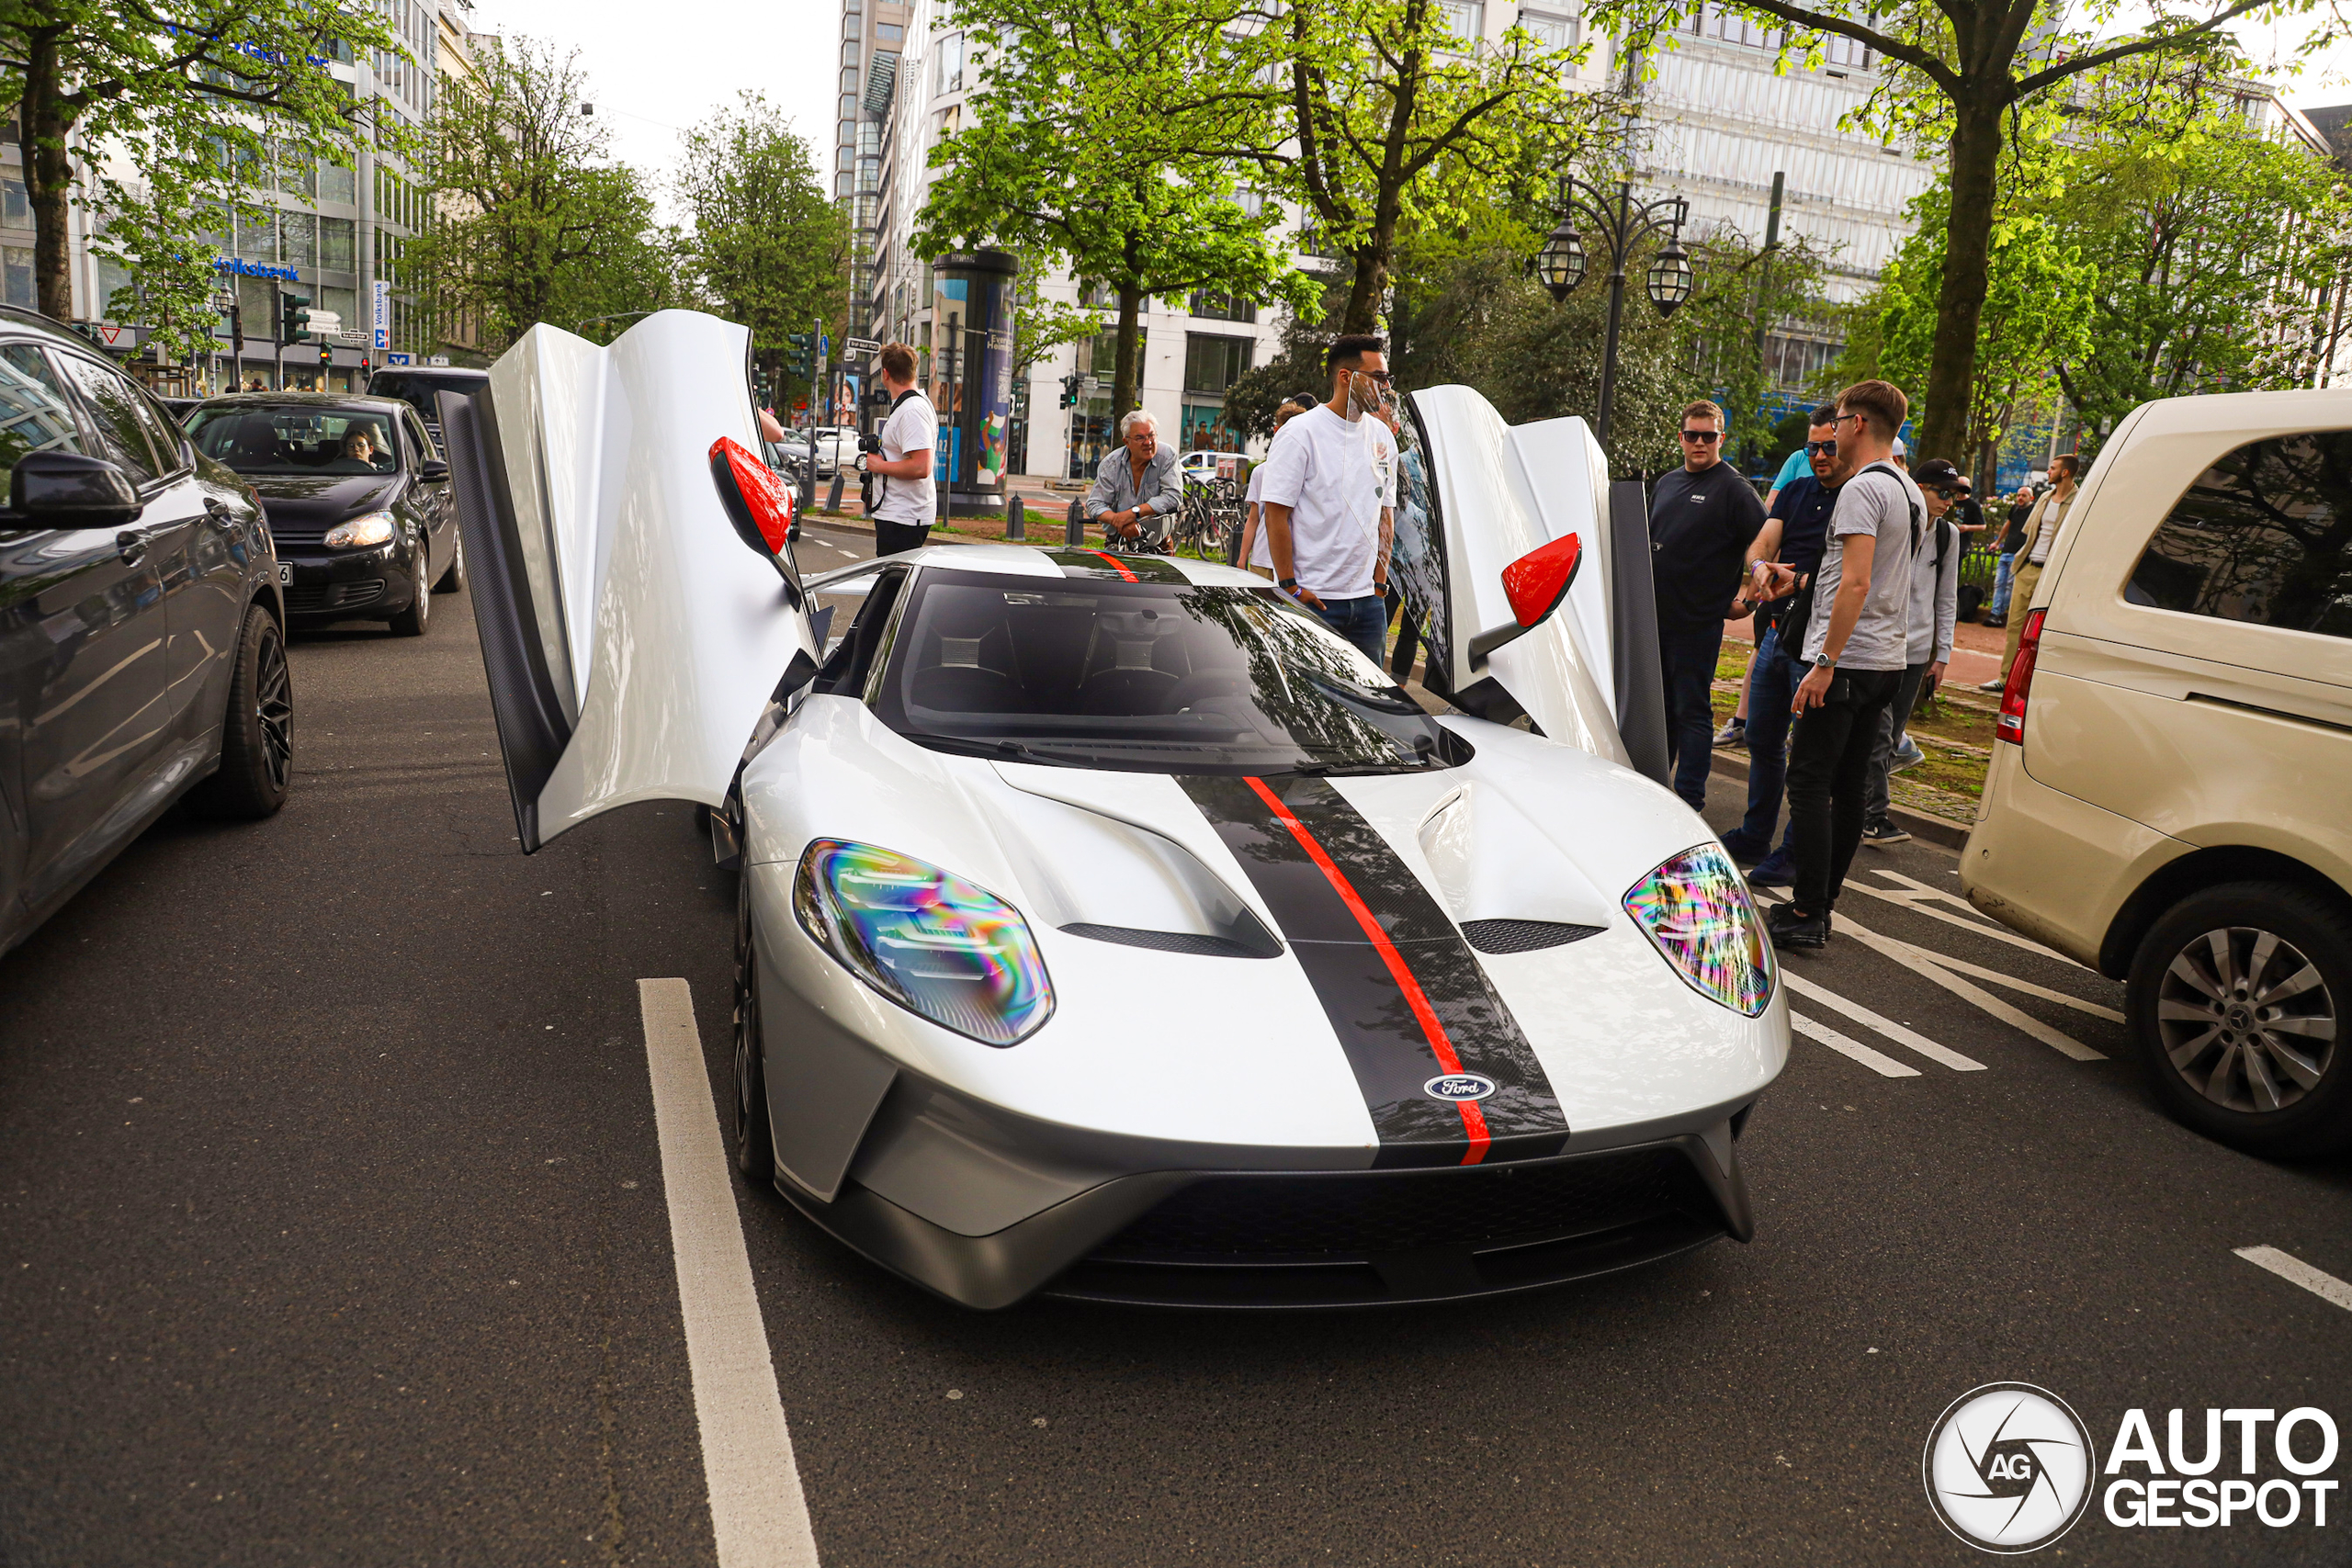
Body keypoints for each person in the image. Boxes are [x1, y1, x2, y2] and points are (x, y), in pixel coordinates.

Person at [1762, 379, 1926, 953]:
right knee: (1850, 785)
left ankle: (1807, 909)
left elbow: (1857, 581)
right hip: (1886, 660)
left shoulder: (1860, 491)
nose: (1831, 434)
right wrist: (1803, 580)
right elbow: (1869, 576)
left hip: (1846, 660)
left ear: (1857, 424)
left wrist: (1825, 662)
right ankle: (1821, 905)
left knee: (1807, 781)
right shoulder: (1909, 491)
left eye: (1839, 422)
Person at [1721, 405, 1840, 883]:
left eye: (1828, 446)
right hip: (1777, 632)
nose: (1818, 455)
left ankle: (1793, 853)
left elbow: (1848, 574)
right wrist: (1759, 570)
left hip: (1817, 641)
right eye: (1811, 447)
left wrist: (1798, 579)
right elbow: (1762, 542)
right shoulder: (1794, 491)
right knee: (1760, 737)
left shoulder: (1855, 497)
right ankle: (1756, 834)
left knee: (1808, 755)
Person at [1647, 399, 1766, 813]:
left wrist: (1748, 601)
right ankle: (1655, 791)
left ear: (1722, 438)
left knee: (1691, 708)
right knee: (1657, 708)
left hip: (1697, 622)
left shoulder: (1734, 489)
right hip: (1654, 618)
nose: (1700, 442)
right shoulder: (1666, 483)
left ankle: (1689, 801)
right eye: (1692, 435)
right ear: (1681, 438)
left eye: (1709, 436)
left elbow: (1765, 543)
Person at [1256, 333, 1395, 667]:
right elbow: (1275, 517)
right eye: (1379, 377)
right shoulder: (1300, 433)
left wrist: (1378, 583)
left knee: (1369, 710)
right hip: (1313, 600)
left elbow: (1384, 516)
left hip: (1368, 604)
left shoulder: (1382, 437)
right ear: (1347, 377)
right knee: (1307, 707)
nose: (1386, 386)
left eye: (1388, 378)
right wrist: (1289, 586)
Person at [1860, 457, 1963, 847]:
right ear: (1918, 488)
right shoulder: (1895, 522)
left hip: (1918, 651)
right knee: (1882, 733)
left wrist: (1943, 655)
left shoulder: (1947, 536)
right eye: (1942, 491)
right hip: (1882, 645)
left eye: (1953, 494)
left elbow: (1946, 596)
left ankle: (1857, 803)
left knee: (1892, 734)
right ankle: (1875, 816)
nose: (1948, 500)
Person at [1980, 453, 2083, 690]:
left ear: (2064, 472)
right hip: (2027, 569)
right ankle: (2006, 680)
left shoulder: (2079, 501)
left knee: (2045, 633)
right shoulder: (2045, 498)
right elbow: (2030, 534)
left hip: (2052, 577)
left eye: (2053, 468)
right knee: (2015, 626)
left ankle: (2033, 684)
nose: (2048, 471)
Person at [857, 342, 939, 557]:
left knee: (892, 584)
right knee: (892, 582)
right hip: (899, 513)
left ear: (885, 374)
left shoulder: (912, 410)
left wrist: (880, 466)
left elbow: (922, 466)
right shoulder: (910, 406)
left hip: (904, 515)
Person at [1238, 397, 1317, 578]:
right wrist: (1242, 558)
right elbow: (1254, 518)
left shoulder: (1312, 472)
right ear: (1276, 431)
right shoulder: (1261, 472)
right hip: (1263, 559)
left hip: (1298, 562)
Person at [1085, 408, 1184, 550]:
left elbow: (1173, 496)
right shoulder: (1111, 464)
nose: (1148, 442)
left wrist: (1133, 513)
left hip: (1159, 544)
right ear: (1127, 442)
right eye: (1140, 438)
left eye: (1151, 435)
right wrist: (1118, 520)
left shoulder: (1167, 455)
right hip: (1118, 541)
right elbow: (1094, 504)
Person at [1984, 484, 2034, 628]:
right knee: (1999, 583)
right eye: (2018, 495)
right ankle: (1995, 613)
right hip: (2007, 551)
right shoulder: (2015, 509)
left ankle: (1998, 614)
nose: (2020, 498)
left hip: (2019, 553)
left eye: (2023, 495)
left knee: (2010, 586)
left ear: (2031, 498)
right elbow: (2007, 525)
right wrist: (1997, 542)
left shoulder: (2033, 511)